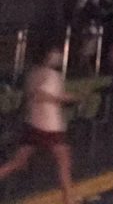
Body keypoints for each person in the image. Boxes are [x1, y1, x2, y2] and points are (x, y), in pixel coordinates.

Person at [0, 47, 81, 204]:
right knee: (64, 161)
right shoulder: (53, 75)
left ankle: (69, 196)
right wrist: (67, 99)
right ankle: (68, 198)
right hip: (51, 126)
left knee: (18, 161)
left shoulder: (32, 73)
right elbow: (45, 95)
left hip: (32, 123)